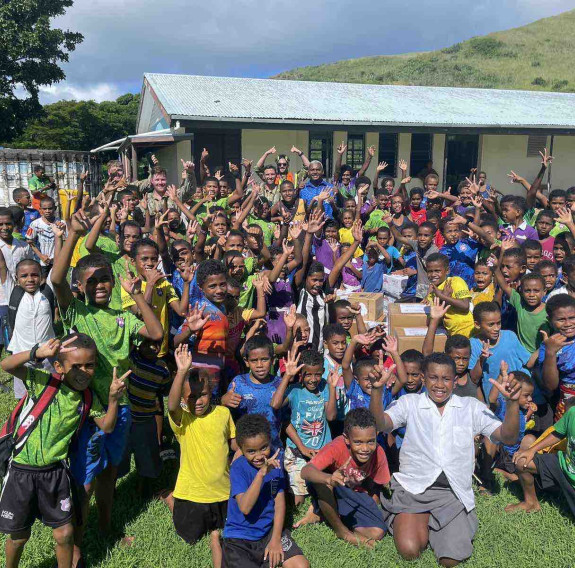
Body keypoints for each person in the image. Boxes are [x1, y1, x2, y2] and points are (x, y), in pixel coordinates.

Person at [370, 352, 522, 566]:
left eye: (446, 379)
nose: (439, 385)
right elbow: (380, 424)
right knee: (409, 550)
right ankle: (419, 519)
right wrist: (376, 392)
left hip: (452, 492)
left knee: (451, 559)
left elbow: (507, 436)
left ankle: (441, 524)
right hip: (415, 488)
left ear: (454, 380)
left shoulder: (470, 407)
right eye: (433, 377)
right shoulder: (409, 403)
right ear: (424, 378)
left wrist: (513, 404)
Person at [0, 334, 128, 568]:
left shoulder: (86, 398)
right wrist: (36, 353)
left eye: (89, 365)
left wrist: (112, 400)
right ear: (59, 366)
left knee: (65, 534)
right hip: (21, 471)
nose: (83, 372)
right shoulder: (42, 381)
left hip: (55, 473)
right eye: (75, 366)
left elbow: (107, 426)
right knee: (19, 536)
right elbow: (6, 365)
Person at [167, 343, 236, 568]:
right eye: (192, 396)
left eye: (203, 394)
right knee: (190, 537)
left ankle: (214, 534)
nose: (198, 401)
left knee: (229, 531)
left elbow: (233, 444)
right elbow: (171, 406)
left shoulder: (224, 413)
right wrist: (181, 372)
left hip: (223, 492)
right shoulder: (183, 419)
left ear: (212, 391)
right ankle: (171, 498)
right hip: (192, 494)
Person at [222, 414, 309, 568]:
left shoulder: (275, 463)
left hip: (268, 532)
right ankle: (217, 543)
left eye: (264, 448)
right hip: (240, 538)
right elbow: (245, 507)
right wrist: (261, 474)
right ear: (241, 449)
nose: (259, 456)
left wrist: (275, 539)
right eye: (251, 451)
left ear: (269, 441)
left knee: (301, 565)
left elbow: (279, 503)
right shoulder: (238, 468)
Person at [301, 408, 389, 548]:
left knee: (377, 533)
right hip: (331, 487)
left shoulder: (379, 453)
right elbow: (306, 471)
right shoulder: (336, 447)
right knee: (323, 484)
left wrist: (368, 507)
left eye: (370, 441)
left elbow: (376, 488)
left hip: (352, 493)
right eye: (358, 442)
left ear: (376, 435)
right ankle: (341, 531)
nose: (365, 448)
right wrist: (329, 478)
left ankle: (326, 512)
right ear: (347, 439)